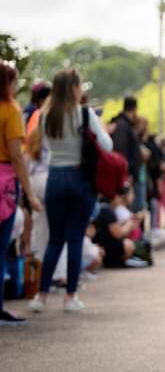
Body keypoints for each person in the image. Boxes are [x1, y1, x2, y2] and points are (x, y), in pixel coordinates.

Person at [27, 68, 110, 315]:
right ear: (74, 87)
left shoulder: (45, 115)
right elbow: (107, 145)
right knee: (74, 239)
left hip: (54, 177)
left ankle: (41, 296)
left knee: (55, 239)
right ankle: (70, 296)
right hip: (78, 178)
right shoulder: (84, 113)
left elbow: (40, 147)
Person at [0, 64, 43, 324]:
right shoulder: (11, 110)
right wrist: (29, 193)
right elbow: (16, 153)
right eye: (14, 83)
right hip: (4, 180)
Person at [91, 184, 149, 268]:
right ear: (115, 196)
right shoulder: (107, 210)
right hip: (105, 246)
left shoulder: (107, 208)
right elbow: (118, 233)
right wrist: (130, 223)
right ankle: (116, 261)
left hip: (103, 243)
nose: (121, 198)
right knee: (129, 245)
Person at [110, 96, 144, 212]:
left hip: (128, 173)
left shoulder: (124, 125)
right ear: (134, 109)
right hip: (126, 174)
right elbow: (120, 150)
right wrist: (127, 171)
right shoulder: (122, 125)